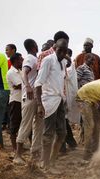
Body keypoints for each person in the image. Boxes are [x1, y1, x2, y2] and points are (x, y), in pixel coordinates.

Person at [35, 38, 68, 170]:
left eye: (64, 51)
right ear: (55, 48)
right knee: (48, 134)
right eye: (59, 50)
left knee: (62, 133)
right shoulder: (48, 60)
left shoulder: (64, 62)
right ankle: (45, 163)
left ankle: (52, 161)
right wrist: (39, 105)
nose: (61, 53)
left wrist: (64, 100)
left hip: (60, 100)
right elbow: (38, 83)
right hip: (48, 100)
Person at [14, 39, 42, 166]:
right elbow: (24, 72)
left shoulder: (36, 59)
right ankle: (17, 155)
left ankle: (35, 152)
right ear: (34, 46)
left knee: (38, 125)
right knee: (26, 124)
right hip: (30, 96)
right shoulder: (30, 58)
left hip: (38, 97)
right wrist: (28, 86)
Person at [61, 48, 78, 153]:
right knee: (63, 121)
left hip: (65, 97)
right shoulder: (65, 67)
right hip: (62, 96)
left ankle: (65, 146)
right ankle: (71, 143)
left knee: (62, 122)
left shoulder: (70, 67)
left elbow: (65, 77)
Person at [6, 53, 23, 153]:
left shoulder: (20, 71)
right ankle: (14, 148)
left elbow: (21, 85)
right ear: (15, 61)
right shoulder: (11, 72)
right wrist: (22, 85)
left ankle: (19, 146)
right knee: (14, 125)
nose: (22, 61)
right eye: (20, 60)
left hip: (21, 99)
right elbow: (21, 85)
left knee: (22, 124)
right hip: (15, 101)